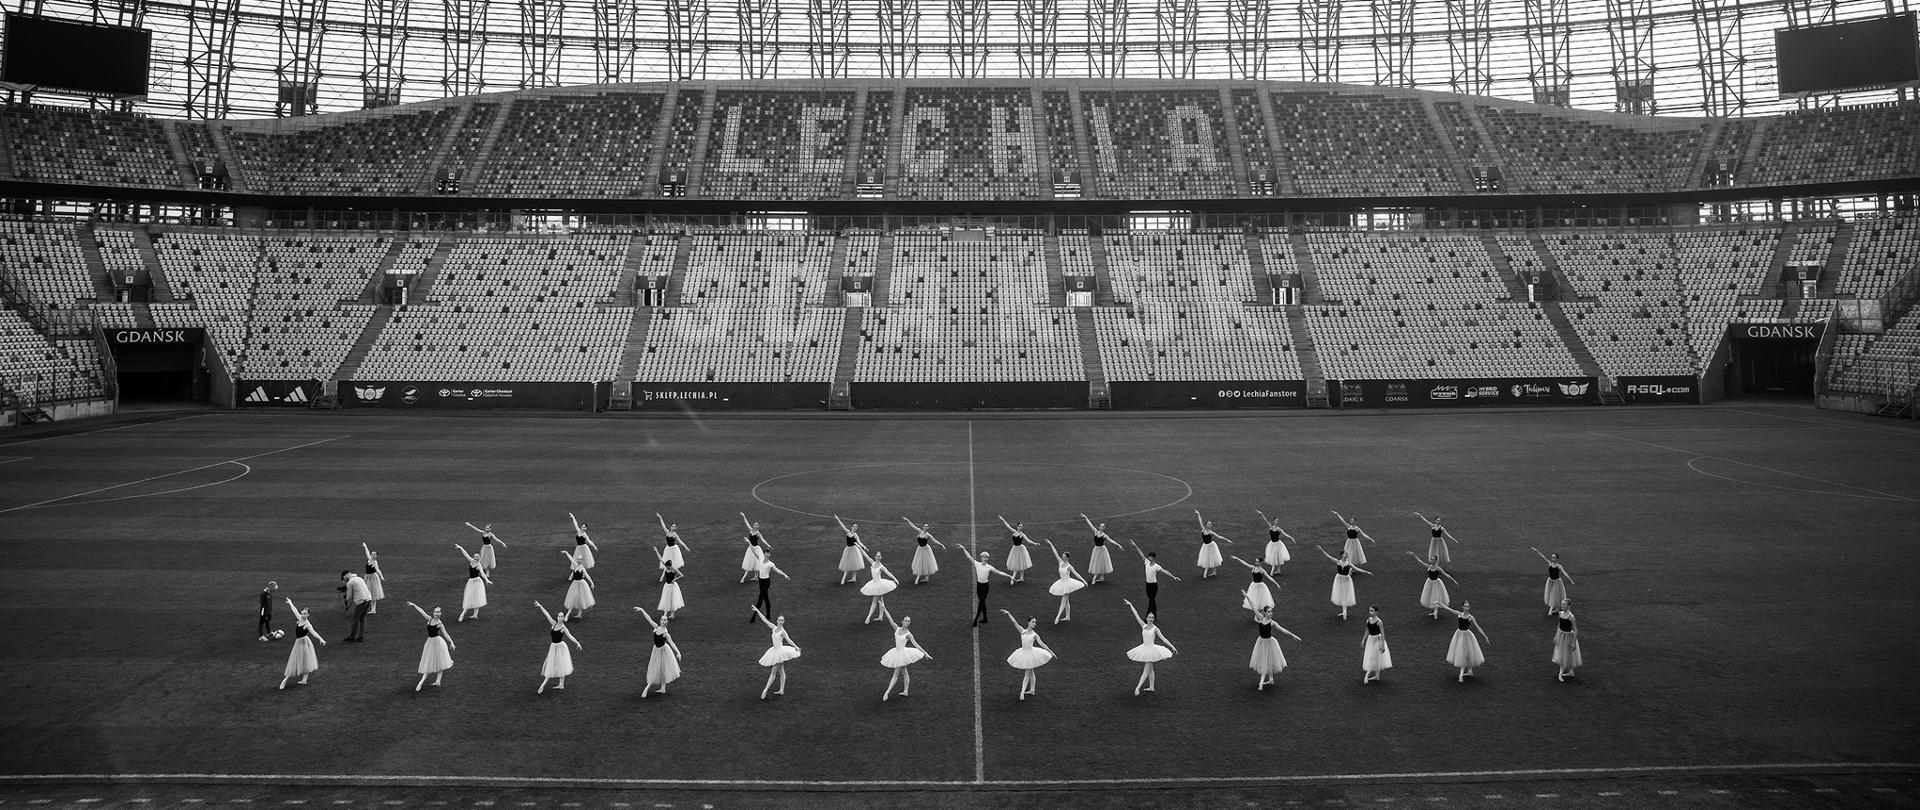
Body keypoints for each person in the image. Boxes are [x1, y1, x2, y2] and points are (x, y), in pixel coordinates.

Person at [1122, 599, 1178, 695]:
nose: (1151, 619)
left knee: (1146, 669)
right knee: (1150, 669)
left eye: (1152, 617)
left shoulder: (1155, 629)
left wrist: (1172, 646)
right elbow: (1136, 616)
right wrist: (1131, 605)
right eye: (1150, 617)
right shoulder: (1143, 626)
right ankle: (1151, 687)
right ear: (1147, 618)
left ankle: (1138, 687)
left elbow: (1164, 638)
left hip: (1151, 650)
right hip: (1144, 648)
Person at [955, 540, 1014, 626]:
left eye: (986, 557)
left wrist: (1009, 576)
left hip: (985, 587)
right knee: (982, 602)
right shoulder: (977, 564)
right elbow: (969, 557)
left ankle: (975, 620)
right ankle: (985, 618)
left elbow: (999, 572)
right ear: (981, 557)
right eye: (984, 557)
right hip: (979, 586)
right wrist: (963, 548)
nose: (985, 558)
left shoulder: (989, 567)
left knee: (981, 601)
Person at [1000, 610, 1055, 701]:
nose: (1034, 624)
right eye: (1033, 622)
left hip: (1031, 654)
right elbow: (1014, 622)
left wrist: (1051, 651)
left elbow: (1042, 644)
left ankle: (1022, 692)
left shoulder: (1035, 635)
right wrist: (1009, 613)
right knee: (1031, 671)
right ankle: (1032, 690)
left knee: (1027, 673)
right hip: (1024, 653)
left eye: (1035, 622)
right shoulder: (1022, 631)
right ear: (1028, 622)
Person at [878, 609, 931, 701]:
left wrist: (925, 653)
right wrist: (884, 608)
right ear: (902, 621)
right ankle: (905, 691)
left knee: (896, 673)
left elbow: (916, 644)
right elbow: (890, 618)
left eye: (909, 621)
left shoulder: (908, 634)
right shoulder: (896, 628)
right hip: (897, 653)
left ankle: (887, 692)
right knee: (904, 672)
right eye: (906, 621)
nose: (907, 622)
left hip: (902, 654)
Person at [750, 606, 801, 699]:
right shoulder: (774, 627)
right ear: (777, 621)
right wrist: (757, 610)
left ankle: (765, 690)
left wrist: (796, 647)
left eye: (782, 620)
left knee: (773, 672)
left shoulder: (783, 632)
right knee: (781, 671)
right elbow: (765, 620)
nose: (780, 622)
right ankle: (781, 690)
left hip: (780, 653)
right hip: (774, 651)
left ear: (783, 622)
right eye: (779, 620)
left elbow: (789, 640)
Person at [1249, 605, 1302, 691]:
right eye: (1269, 612)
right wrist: (1247, 596)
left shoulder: (1272, 622)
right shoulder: (1261, 618)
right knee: (1266, 660)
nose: (1271, 613)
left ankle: (1261, 683)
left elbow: (1282, 629)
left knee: (1266, 660)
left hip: (1269, 643)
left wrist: (1293, 635)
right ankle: (1271, 680)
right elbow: (1254, 607)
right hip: (1261, 642)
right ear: (1265, 613)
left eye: (1271, 611)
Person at [534, 600, 583, 694]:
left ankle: (543, 685)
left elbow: (570, 636)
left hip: (560, 648)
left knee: (559, 665)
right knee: (553, 665)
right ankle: (561, 684)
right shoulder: (554, 624)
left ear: (563, 618)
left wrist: (577, 643)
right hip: (553, 647)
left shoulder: (564, 628)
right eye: (559, 616)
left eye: (561, 616)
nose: (560, 618)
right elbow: (547, 614)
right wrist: (540, 606)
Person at [404, 601, 454, 691]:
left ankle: (429, 682)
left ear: (440, 614)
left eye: (438, 612)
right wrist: (414, 605)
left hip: (438, 643)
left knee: (440, 662)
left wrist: (451, 642)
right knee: (429, 662)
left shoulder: (440, 624)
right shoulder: (430, 619)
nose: (436, 613)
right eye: (435, 612)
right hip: (430, 643)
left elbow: (446, 634)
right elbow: (421, 611)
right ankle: (428, 682)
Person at [633, 607, 682, 698]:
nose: (663, 621)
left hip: (663, 651)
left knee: (658, 669)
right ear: (660, 621)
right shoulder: (656, 627)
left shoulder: (666, 634)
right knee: (658, 668)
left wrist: (678, 652)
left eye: (665, 620)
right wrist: (642, 610)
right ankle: (662, 688)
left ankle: (647, 688)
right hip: (656, 650)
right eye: (662, 619)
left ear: (667, 622)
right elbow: (648, 619)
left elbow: (672, 643)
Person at [278, 598, 326, 690]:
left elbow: (314, 633)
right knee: (300, 661)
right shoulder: (299, 618)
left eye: (305, 614)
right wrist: (290, 603)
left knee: (302, 661)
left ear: (308, 615)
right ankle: (298, 679)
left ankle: (288, 679)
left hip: (304, 643)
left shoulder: (307, 625)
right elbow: (294, 610)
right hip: (299, 643)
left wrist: (321, 639)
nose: (302, 615)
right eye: (302, 613)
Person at [1126, 539, 1182, 617]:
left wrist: (1173, 577)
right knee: (1151, 600)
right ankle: (1154, 614)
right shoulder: (1146, 562)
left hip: (1153, 586)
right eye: (1149, 556)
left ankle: (1148, 616)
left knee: (1151, 601)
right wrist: (1135, 546)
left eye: (1151, 557)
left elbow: (1165, 571)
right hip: (1147, 585)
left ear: (1153, 558)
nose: (1149, 558)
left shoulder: (1157, 566)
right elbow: (1140, 553)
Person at [1437, 601, 1489, 682]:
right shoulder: (1459, 614)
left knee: (1466, 653)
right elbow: (1449, 609)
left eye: (1468, 607)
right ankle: (1469, 671)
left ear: (1469, 607)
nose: (1466, 608)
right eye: (1465, 606)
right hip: (1459, 635)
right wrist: (1439, 603)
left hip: (1467, 636)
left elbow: (1478, 627)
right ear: (1462, 607)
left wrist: (1485, 636)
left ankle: (1461, 674)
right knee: (1463, 653)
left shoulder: (1471, 617)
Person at [1316, 546, 1373, 619]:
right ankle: (1344, 611)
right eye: (1346, 553)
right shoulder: (1338, 561)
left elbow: (1357, 569)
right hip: (1339, 579)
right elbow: (1328, 556)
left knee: (1345, 595)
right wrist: (1322, 550)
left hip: (1346, 580)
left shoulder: (1349, 563)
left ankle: (1345, 612)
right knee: (1342, 594)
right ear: (1342, 555)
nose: (1347, 554)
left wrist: (1367, 572)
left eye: (1347, 554)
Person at [1042, 539, 1089, 623]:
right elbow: (1055, 553)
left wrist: (1084, 580)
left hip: (1067, 583)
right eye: (1062, 556)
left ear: (1067, 558)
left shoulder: (1069, 566)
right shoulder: (1060, 562)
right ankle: (1067, 617)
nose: (1062, 556)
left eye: (1064, 556)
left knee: (1063, 601)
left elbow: (1076, 573)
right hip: (1061, 582)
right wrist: (1050, 544)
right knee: (1066, 601)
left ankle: (1057, 617)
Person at [1404, 551, 1460, 619]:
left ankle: (1435, 612)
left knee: (1436, 597)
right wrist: (1414, 555)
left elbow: (1446, 575)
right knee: (1431, 596)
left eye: (1433, 559)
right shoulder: (1429, 566)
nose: (1432, 560)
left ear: (1436, 561)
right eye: (1431, 559)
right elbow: (1420, 562)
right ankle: (1434, 611)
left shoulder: (1438, 568)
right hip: (1429, 582)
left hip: (1436, 583)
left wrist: (1454, 580)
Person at [1228, 555, 1282, 619]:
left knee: (1261, 602)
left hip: (1261, 587)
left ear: (1261, 563)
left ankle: (1260, 616)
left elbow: (1269, 578)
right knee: (1255, 601)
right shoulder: (1253, 568)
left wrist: (1276, 584)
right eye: (1256, 561)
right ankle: (1257, 616)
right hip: (1254, 586)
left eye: (1258, 562)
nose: (1256, 563)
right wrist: (1237, 558)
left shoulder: (1262, 570)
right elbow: (1245, 563)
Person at [856, 547, 900, 624]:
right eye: (877, 556)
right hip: (875, 583)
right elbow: (865, 555)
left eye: (879, 556)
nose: (878, 557)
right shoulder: (872, 563)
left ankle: (868, 617)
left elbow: (888, 573)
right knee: (880, 600)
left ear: (881, 557)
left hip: (879, 585)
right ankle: (880, 616)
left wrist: (895, 579)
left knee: (875, 601)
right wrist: (859, 547)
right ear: (875, 557)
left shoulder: (881, 567)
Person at [452, 543, 496, 621]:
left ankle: (465, 614)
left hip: (477, 582)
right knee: (469, 597)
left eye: (477, 557)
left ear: (479, 557)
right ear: (473, 557)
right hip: (471, 581)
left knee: (476, 597)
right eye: (475, 556)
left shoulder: (479, 565)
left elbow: (482, 574)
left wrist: (487, 580)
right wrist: (460, 547)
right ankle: (471, 614)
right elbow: (466, 554)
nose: (476, 558)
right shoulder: (471, 561)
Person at [902, 518, 947, 584]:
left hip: (926, 550)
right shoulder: (920, 531)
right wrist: (907, 520)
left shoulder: (928, 535)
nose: (926, 527)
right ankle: (925, 578)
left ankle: (921, 577)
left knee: (925, 562)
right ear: (923, 527)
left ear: (928, 528)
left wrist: (942, 545)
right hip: (920, 549)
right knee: (920, 562)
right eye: (925, 526)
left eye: (927, 526)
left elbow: (934, 541)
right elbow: (912, 526)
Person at [748, 552, 790, 622]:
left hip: (766, 582)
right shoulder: (761, 558)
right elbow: (755, 551)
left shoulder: (770, 564)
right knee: (765, 598)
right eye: (766, 553)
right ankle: (768, 615)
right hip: (761, 582)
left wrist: (784, 575)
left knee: (760, 599)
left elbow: (777, 570)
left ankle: (754, 616)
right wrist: (749, 543)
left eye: (769, 553)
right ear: (764, 554)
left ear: (770, 555)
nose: (767, 554)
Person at [1533, 548, 1575, 615]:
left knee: (1553, 595)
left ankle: (1551, 610)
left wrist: (1570, 580)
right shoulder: (1549, 563)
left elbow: (1564, 573)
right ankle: (1557, 609)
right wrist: (1537, 551)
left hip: (1556, 582)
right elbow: (1543, 557)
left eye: (1554, 557)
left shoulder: (1559, 566)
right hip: (1550, 581)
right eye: (1552, 557)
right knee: (1552, 595)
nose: (1553, 559)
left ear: (1557, 558)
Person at [1193, 510, 1234, 578]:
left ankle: (1205, 572)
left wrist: (1227, 540)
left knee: (1210, 558)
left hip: (1211, 546)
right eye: (1209, 524)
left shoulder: (1211, 533)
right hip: (1205, 546)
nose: (1210, 525)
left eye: (1211, 524)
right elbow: (1200, 521)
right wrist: (1198, 514)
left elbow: (1219, 536)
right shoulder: (1203, 529)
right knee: (1210, 558)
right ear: (1206, 525)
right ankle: (1214, 572)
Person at [559, 550, 598, 620]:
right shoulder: (575, 565)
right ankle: (579, 614)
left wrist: (592, 583)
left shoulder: (582, 568)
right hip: (575, 584)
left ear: (582, 560)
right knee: (576, 598)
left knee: (577, 598)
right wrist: (566, 552)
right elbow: (571, 558)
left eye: (580, 559)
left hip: (581, 584)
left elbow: (587, 576)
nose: (579, 560)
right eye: (578, 559)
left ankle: (567, 615)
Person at [1080, 514, 1116, 584]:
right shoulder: (1096, 532)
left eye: (1103, 527)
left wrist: (1118, 545)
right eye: (1101, 526)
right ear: (1099, 527)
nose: (1102, 527)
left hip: (1102, 550)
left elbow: (1111, 541)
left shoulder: (1105, 536)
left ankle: (1094, 578)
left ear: (1104, 528)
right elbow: (1090, 524)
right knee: (1099, 563)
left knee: (1099, 563)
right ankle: (1101, 578)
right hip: (1096, 549)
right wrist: (1086, 517)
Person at [1552, 599, 1582, 681]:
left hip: (1568, 637)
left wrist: (1574, 643)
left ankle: (1560, 673)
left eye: (1564, 604)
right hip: (1561, 635)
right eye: (1561, 604)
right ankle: (1571, 672)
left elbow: (1575, 630)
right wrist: (1556, 635)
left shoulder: (1571, 617)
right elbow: (1559, 625)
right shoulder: (1560, 613)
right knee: (1563, 654)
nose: (1562, 606)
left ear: (1569, 606)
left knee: (1566, 654)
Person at [998, 516, 1034, 583]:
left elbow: (1028, 540)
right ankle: (1017, 578)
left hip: (1021, 549)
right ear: (1017, 527)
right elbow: (1008, 526)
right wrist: (1003, 519)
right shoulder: (1014, 532)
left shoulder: (1022, 534)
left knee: (1020, 564)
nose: (1020, 527)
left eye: (1021, 526)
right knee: (1018, 564)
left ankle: (1017, 578)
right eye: (1019, 526)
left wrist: (1034, 543)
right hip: (1015, 549)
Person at [834, 515, 868, 585]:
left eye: (856, 527)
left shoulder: (856, 535)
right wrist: (838, 519)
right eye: (854, 526)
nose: (855, 528)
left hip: (854, 550)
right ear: (851, 527)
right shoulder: (848, 532)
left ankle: (853, 578)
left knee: (854, 564)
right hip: (848, 550)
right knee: (847, 563)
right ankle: (844, 577)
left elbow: (859, 542)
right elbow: (842, 526)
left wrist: (864, 547)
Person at [1361, 606, 1392, 684]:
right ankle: (1377, 676)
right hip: (1370, 640)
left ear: (1376, 612)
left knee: (1373, 657)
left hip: (1377, 640)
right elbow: (1367, 630)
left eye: (1372, 611)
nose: (1370, 612)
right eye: (1369, 610)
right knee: (1375, 657)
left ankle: (1367, 675)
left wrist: (1382, 645)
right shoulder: (1368, 620)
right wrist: (1363, 639)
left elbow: (1383, 634)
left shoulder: (1379, 622)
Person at [340, 570, 372, 642]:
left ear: (345, 575)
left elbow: (349, 597)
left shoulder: (350, 582)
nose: (344, 580)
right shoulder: (359, 578)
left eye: (344, 578)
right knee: (362, 619)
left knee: (355, 620)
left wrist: (345, 598)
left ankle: (352, 637)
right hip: (368, 599)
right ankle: (361, 637)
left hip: (362, 602)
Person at [738, 512, 771, 584]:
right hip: (750, 549)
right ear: (753, 526)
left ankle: (747, 577)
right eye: (755, 524)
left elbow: (763, 540)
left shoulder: (758, 534)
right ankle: (755, 577)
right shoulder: (751, 530)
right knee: (750, 563)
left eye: (757, 525)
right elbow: (746, 523)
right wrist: (744, 516)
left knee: (756, 562)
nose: (756, 525)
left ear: (758, 527)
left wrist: (768, 545)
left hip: (756, 549)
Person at [657, 514, 690, 581]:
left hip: (674, 549)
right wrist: (660, 517)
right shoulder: (667, 532)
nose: (674, 527)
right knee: (666, 562)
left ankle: (663, 576)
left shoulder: (675, 535)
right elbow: (663, 526)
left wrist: (685, 547)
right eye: (673, 526)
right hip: (668, 549)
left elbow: (680, 541)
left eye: (675, 526)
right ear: (670, 527)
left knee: (669, 563)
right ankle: (665, 575)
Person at [655, 551, 686, 620]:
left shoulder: (673, 569)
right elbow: (660, 559)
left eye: (667, 566)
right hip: (667, 586)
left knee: (672, 599)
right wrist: (656, 551)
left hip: (672, 586)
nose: (666, 567)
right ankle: (668, 614)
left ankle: (670, 614)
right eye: (666, 566)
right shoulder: (666, 567)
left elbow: (681, 575)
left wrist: (674, 579)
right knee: (666, 599)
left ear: (670, 566)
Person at [360, 544, 389, 614]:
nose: (372, 555)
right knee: (368, 593)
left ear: (376, 556)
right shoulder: (370, 559)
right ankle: (372, 609)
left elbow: (378, 570)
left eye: (374, 554)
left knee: (373, 594)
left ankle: (373, 609)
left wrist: (381, 576)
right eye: (372, 554)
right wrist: (365, 546)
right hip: (367, 577)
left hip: (372, 578)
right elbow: (367, 552)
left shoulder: (374, 562)